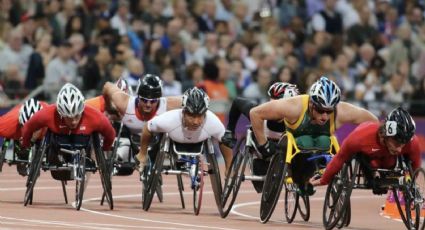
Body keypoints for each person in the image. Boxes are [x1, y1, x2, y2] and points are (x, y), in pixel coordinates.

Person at [249, 76, 378, 194]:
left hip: (321, 150)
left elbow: (375, 123)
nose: (325, 116)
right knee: (306, 141)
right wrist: (263, 145)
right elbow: (255, 113)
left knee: (324, 141)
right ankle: (302, 181)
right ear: (311, 103)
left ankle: (318, 169)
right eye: (320, 110)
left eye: (329, 111)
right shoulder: (294, 106)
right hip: (293, 153)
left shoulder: (342, 111)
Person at [310, 107, 420, 192]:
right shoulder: (359, 138)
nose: (400, 149)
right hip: (368, 160)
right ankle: (372, 179)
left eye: (403, 144)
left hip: (389, 160)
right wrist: (324, 180)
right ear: (385, 134)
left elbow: (415, 167)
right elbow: (340, 158)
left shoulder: (411, 143)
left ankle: (383, 176)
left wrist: (410, 184)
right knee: (368, 160)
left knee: (390, 160)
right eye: (396, 143)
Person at [222, 82, 299, 193]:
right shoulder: (258, 110)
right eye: (271, 101)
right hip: (261, 152)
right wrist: (230, 130)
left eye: (278, 103)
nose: (273, 106)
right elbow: (237, 102)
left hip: (282, 153)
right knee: (261, 188)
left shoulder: (297, 119)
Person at [137, 87, 233, 173]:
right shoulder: (169, 119)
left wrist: (229, 167)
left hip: (199, 142)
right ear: (183, 111)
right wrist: (142, 153)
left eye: (200, 116)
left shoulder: (212, 121)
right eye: (191, 115)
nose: (196, 122)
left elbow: (225, 140)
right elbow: (147, 128)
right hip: (174, 139)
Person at [21, 83, 116, 164]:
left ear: (82, 111)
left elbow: (110, 134)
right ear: (60, 113)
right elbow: (28, 127)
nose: (73, 121)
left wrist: (105, 148)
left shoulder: (95, 117)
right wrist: (26, 145)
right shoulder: (48, 114)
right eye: (69, 117)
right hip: (58, 144)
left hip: (84, 143)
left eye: (76, 116)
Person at [102, 74, 182, 136]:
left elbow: (189, 99)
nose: (148, 105)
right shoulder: (125, 104)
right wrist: (110, 108)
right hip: (129, 141)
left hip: (158, 146)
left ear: (159, 99)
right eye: (144, 100)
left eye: (153, 101)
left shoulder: (167, 104)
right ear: (138, 97)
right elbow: (107, 86)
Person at [0, 98, 46, 176]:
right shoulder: (6, 124)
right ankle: (22, 152)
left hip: (43, 118)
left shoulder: (48, 120)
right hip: (15, 123)